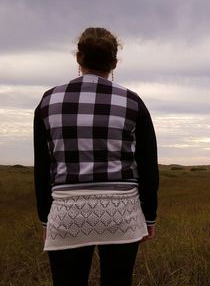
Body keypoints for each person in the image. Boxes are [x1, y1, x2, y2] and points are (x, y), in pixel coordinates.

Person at [33, 27, 159, 286]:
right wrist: (149, 217)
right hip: (122, 213)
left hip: (66, 212)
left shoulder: (49, 101)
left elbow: (42, 167)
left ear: (79, 59)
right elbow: (148, 165)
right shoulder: (132, 102)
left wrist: (46, 218)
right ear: (114, 62)